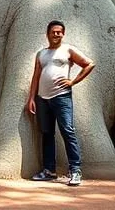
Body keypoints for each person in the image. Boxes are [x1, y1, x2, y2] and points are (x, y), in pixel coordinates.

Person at [26, 20, 95, 186]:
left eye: (59, 32)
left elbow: (89, 64)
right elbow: (36, 76)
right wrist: (31, 99)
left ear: (63, 34)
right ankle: (49, 170)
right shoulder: (41, 54)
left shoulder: (67, 50)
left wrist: (72, 82)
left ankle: (76, 170)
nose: (56, 34)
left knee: (67, 130)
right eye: (53, 32)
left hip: (62, 97)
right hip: (42, 99)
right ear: (48, 33)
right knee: (47, 133)